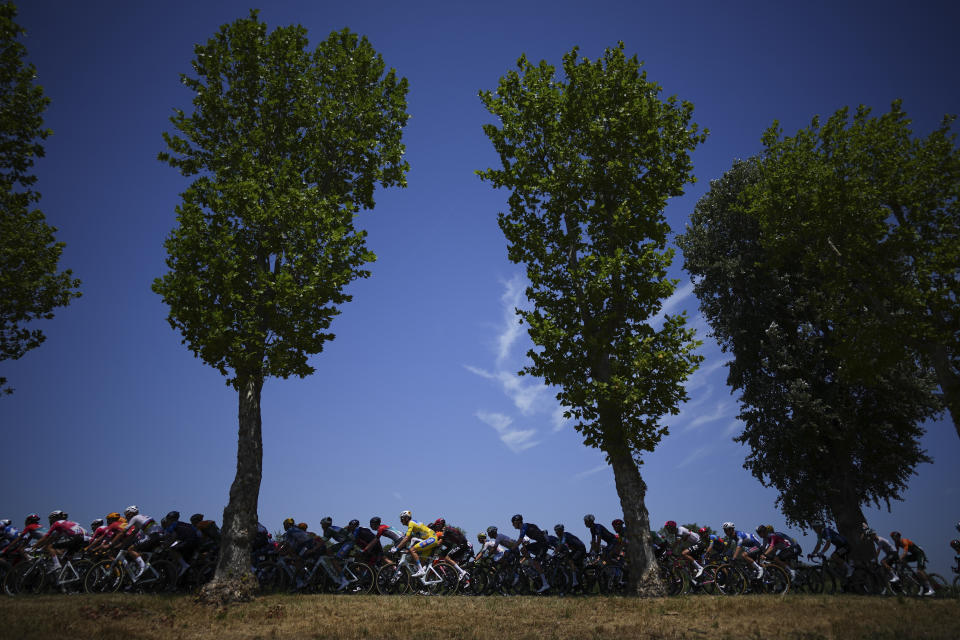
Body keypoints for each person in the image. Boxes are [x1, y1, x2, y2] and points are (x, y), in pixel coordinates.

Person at [393, 510, 440, 578]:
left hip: (431, 538)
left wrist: (396, 548)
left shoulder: (411, 523)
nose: (401, 521)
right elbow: (411, 539)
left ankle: (421, 570)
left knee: (413, 550)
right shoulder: (413, 523)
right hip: (430, 538)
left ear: (406, 518)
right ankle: (423, 583)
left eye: (402, 519)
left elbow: (406, 538)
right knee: (420, 562)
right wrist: (407, 550)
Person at [511, 514, 550, 593]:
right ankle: (533, 565)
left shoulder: (524, 527)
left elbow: (519, 540)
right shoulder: (527, 525)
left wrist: (511, 549)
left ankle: (545, 584)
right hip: (540, 543)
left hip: (543, 544)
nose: (512, 525)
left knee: (536, 562)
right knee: (523, 549)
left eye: (513, 523)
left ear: (518, 522)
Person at [890, 531, 934, 596]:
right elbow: (896, 553)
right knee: (902, 560)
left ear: (898, 537)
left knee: (919, 571)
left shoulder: (904, 541)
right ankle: (908, 573)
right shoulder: (897, 543)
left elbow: (905, 553)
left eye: (895, 537)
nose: (894, 539)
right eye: (893, 538)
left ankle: (930, 589)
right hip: (914, 555)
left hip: (919, 554)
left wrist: (899, 558)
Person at [160, 511, 200, 577]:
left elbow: (172, 538)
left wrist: (166, 546)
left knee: (172, 549)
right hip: (196, 542)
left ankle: (184, 565)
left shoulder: (173, 525)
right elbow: (198, 533)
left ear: (171, 519)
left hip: (188, 542)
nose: (167, 522)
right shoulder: (185, 524)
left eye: (168, 520)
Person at [553, 524, 586, 589]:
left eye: (557, 531)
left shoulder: (565, 535)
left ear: (561, 530)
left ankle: (575, 581)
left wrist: (555, 552)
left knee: (571, 560)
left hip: (580, 549)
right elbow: (563, 547)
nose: (556, 532)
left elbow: (561, 545)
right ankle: (575, 573)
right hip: (575, 549)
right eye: (555, 531)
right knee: (566, 559)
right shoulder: (561, 537)